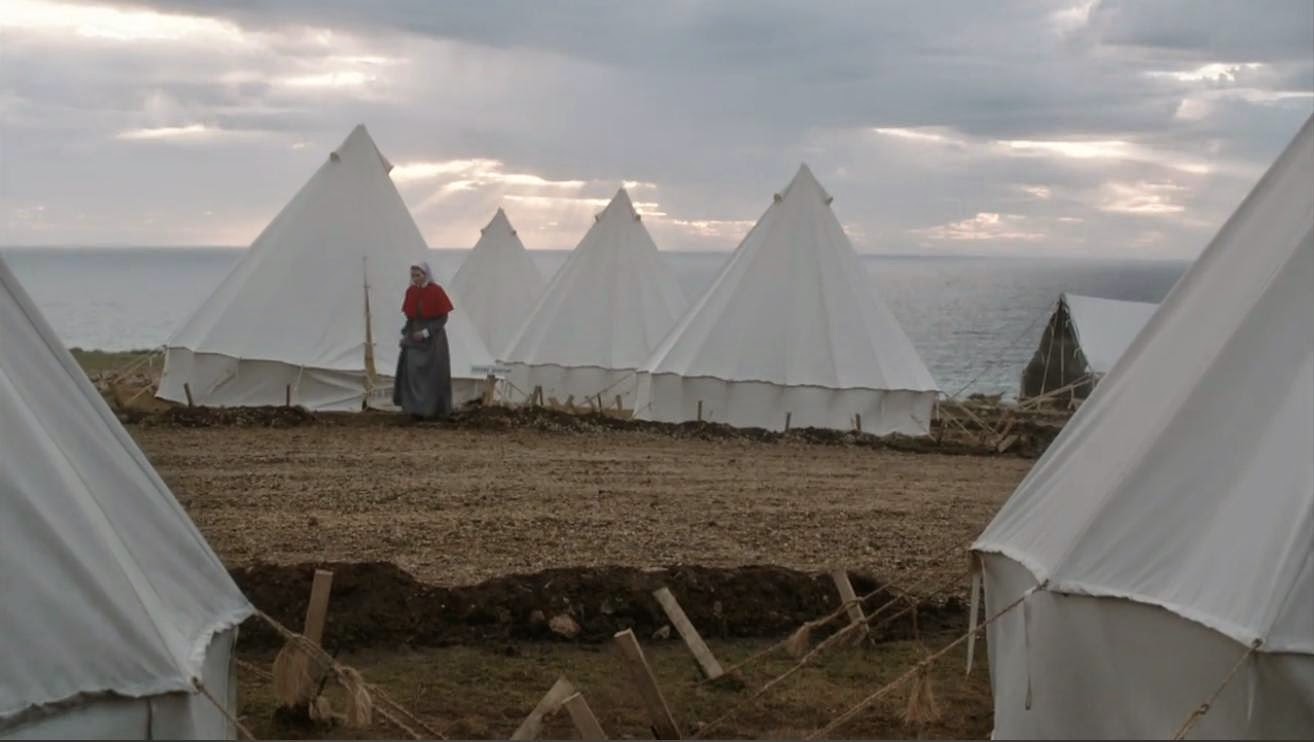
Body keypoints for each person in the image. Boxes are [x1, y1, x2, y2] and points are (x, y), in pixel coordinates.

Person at [394, 262, 454, 419]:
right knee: (411, 371)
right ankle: (413, 409)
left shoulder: (436, 291)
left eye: (418, 275)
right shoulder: (411, 292)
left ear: (425, 275)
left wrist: (427, 332)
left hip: (433, 339)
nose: (415, 279)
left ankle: (431, 410)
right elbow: (410, 318)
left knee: (432, 374)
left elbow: (443, 317)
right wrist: (406, 335)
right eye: (413, 276)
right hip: (414, 337)